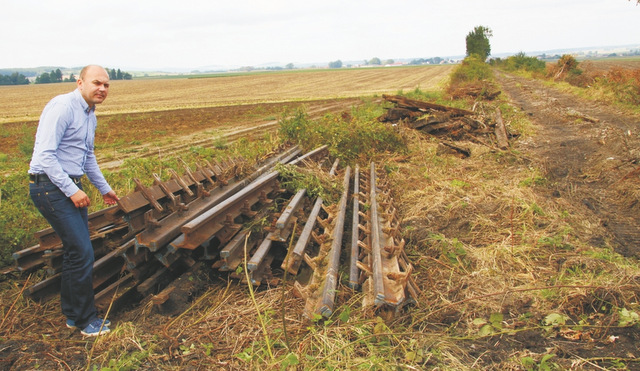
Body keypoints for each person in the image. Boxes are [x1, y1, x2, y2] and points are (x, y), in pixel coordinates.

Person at [28, 65, 119, 337]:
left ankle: (72, 315)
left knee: (75, 252)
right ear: (80, 82)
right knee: (82, 252)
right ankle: (85, 321)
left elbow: (87, 156)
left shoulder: (90, 114)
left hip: (66, 186)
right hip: (50, 186)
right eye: (96, 83)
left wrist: (104, 188)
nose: (102, 89)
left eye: (106, 85)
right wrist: (71, 190)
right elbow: (45, 156)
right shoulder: (62, 107)